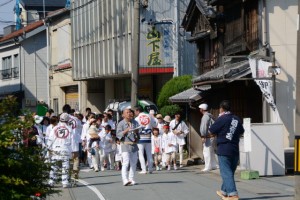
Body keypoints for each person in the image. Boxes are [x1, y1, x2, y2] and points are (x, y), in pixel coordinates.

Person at [209, 100, 244, 200]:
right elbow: (241, 131)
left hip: (224, 149)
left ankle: (233, 194)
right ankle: (223, 191)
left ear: (221, 108)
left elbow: (211, 130)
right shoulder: (236, 119)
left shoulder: (222, 118)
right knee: (229, 172)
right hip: (235, 149)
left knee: (226, 172)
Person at [47, 113, 72, 188]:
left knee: (53, 166)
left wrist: (48, 148)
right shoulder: (69, 129)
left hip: (55, 149)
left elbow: (50, 139)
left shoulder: (55, 128)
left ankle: (51, 181)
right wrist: (72, 152)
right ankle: (65, 182)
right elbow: (72, 141)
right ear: (67, 120)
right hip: (65, 149)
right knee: (65, 166)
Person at [116, 108, 140, 186]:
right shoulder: (121, 123)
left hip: (133, 144)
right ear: (123, 115)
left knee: (134, 162)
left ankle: (131, 178)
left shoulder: (135, 122)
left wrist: (137, 132)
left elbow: (138, 133)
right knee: (126, 162)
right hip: (125, 144)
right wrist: (126, 130)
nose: (129, 113)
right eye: (127, 112)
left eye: (130, 112)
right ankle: (125, 179)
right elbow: (118, 134)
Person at [134, 106, 157, 174]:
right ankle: (150, 169)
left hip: (140, 137)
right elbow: (155, 125)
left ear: (137, 110)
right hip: (148, 136)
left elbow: (135, 128)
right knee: (149, 153)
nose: (135, 113)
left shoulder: (137, 118)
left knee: (141, 153)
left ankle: (144, 169)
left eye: (135, 111)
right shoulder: (149, 116)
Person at [199, 103, 218, 172]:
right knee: (212, 151)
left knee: (206, 151)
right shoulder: (211, 116)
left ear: (202, 109)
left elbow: (204, 127)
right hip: (213, 136)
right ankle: (213, 165)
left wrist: (203, 136)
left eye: (200, 109)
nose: (199, 110)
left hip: (208, 136)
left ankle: (208, 167)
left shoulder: (205, 117)